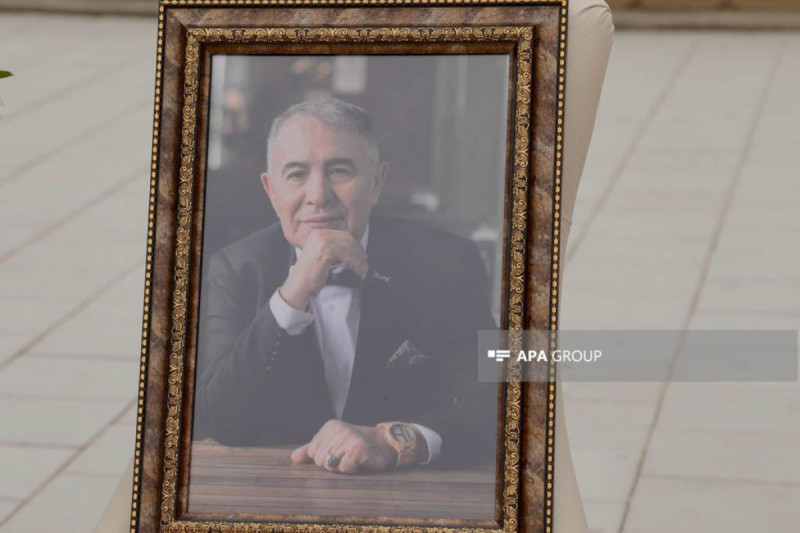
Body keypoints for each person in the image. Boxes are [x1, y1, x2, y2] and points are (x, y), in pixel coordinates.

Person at [194, 98, 498, 474]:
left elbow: (495, 404)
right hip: (273, 489)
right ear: (271, 190)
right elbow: (220, 420)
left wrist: (396, 441)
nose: (318, 195)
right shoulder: (236, 268)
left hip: (408, 492)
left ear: (376, 183)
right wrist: (292, 295)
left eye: (339, 171)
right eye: (296, 174)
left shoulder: (447, 262)